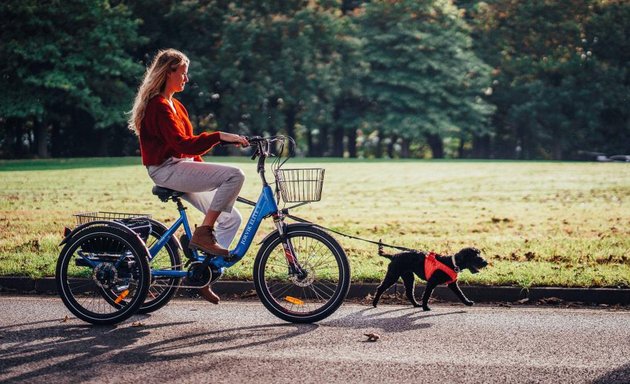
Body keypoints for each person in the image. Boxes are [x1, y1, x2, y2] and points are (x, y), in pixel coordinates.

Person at [128, 48, 249, 304]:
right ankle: (203, 233)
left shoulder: (176, 105)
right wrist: (219, 136)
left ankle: (204, 272)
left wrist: (212, 178)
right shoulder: (158, 106)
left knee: (232, 219)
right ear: (167, 73)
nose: (186, 78)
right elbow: (183, 144)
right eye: (182, 73)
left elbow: (189, 153)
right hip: (167, 170)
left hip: (182, 167)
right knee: (235, 175)